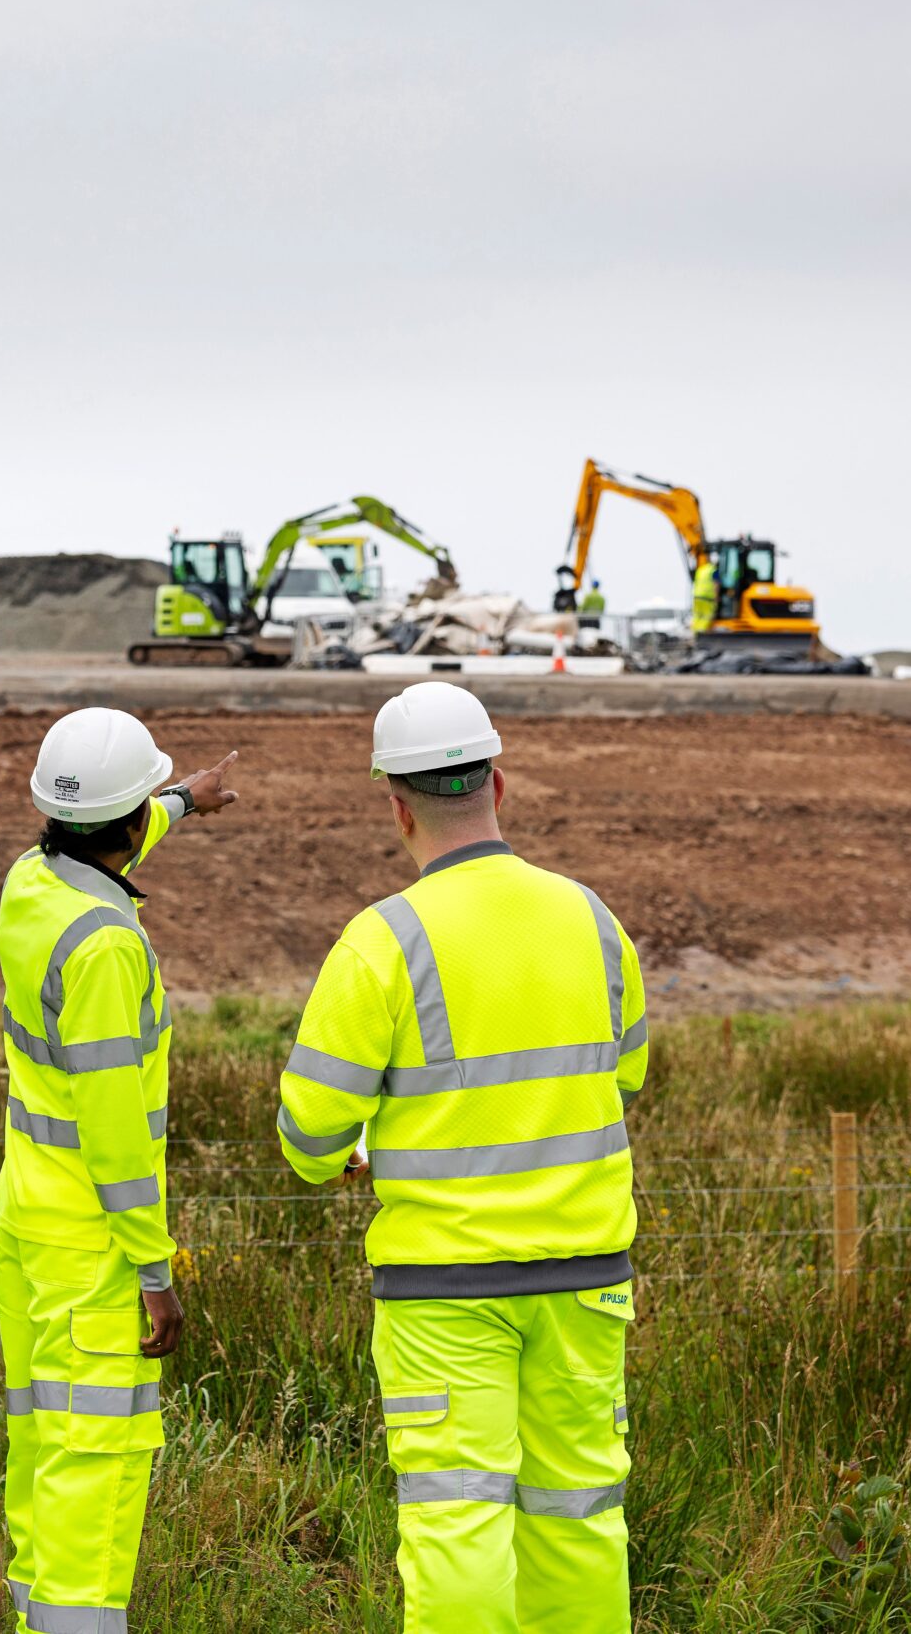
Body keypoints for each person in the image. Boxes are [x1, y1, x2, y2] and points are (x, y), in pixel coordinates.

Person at [277, 681, 645, 1634]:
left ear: (396, 806)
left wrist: (357, 1154)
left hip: (447, 1291)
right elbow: (626, 1075)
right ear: (499, 785)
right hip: (587, 1281)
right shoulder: (594, 921)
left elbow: (311, 1137)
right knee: (580, 1515)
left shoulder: (382, 943)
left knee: (459, 1522)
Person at [0, 707, 242, 1633]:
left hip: (28, 1220)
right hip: (93, 1246)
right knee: (95, 1469)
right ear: (129, 822)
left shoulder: (31, 882)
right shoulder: (106, 949)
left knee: (42, 1445)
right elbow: (115, 1139)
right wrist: (154, 1274)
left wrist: (182, 801)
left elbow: (104, 836)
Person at [690, 555, 717, 634]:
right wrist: (716, 597)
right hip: (707, 598)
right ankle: (701, 634)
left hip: (696, 597)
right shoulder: (713, 570)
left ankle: (694, 633)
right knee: (707, 616)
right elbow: (716, 584)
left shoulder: (700, 570)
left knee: (697, 616)